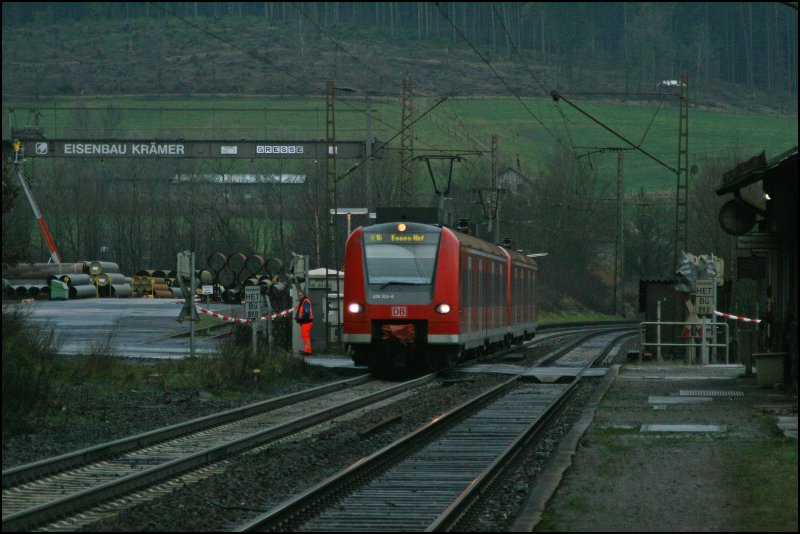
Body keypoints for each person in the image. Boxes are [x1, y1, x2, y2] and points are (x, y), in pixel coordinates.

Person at [294, 290, 314, 357]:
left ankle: (308, 352)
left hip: (306, 322)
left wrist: (300, 318)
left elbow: (306, 313)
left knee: (305, 337)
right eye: (298, 295)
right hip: (306, 322)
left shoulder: (305, 302)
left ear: (303, 295)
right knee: (305, 337)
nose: (299, 297)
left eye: (300, 295)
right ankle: (307, 351)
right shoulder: (304, 301)